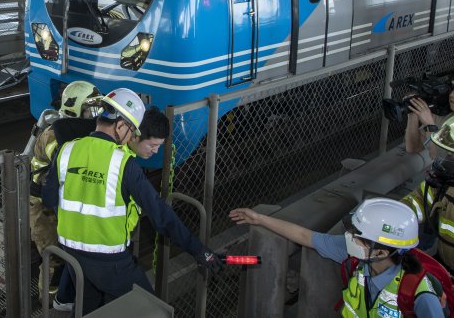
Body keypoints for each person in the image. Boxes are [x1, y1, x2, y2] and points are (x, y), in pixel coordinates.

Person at [42, 88, 222, 314]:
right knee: (152, 310)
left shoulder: (66, 150)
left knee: (89, 310)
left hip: (71, 255)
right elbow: (161, 216)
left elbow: (49, 199)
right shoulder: (123, 164)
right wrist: (198, 250)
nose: (131, 138)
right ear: (120, 126)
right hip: (111, 263)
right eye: (131, 131)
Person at [230, 198, 445, 317]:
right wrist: (259, 219)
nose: (348, 238)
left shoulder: (420, 295)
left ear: (381, 252)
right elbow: (305, 236)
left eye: (357, 237)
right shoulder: (356, 256)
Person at [30, 81, 102, 308]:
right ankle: (48, 305)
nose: (94, 114)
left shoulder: (73, 130)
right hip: (44, 208)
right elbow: (63, 171)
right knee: (54, 259)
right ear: (75, 109)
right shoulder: (54, 136)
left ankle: (63, 299)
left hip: (61, 204)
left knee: (66, 255)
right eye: (90, 108)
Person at [402, 117, 454, 270]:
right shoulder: (444, 184)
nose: (447, 160)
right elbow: (419, 200)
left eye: (452, 155)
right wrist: (395, 215)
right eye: (447, 153)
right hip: (445, 265)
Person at [404, 88, 454, 156]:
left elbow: (437, 159)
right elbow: (413, 148)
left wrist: (430, 126)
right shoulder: (443, 116)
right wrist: (412, 110)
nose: (451, 94)